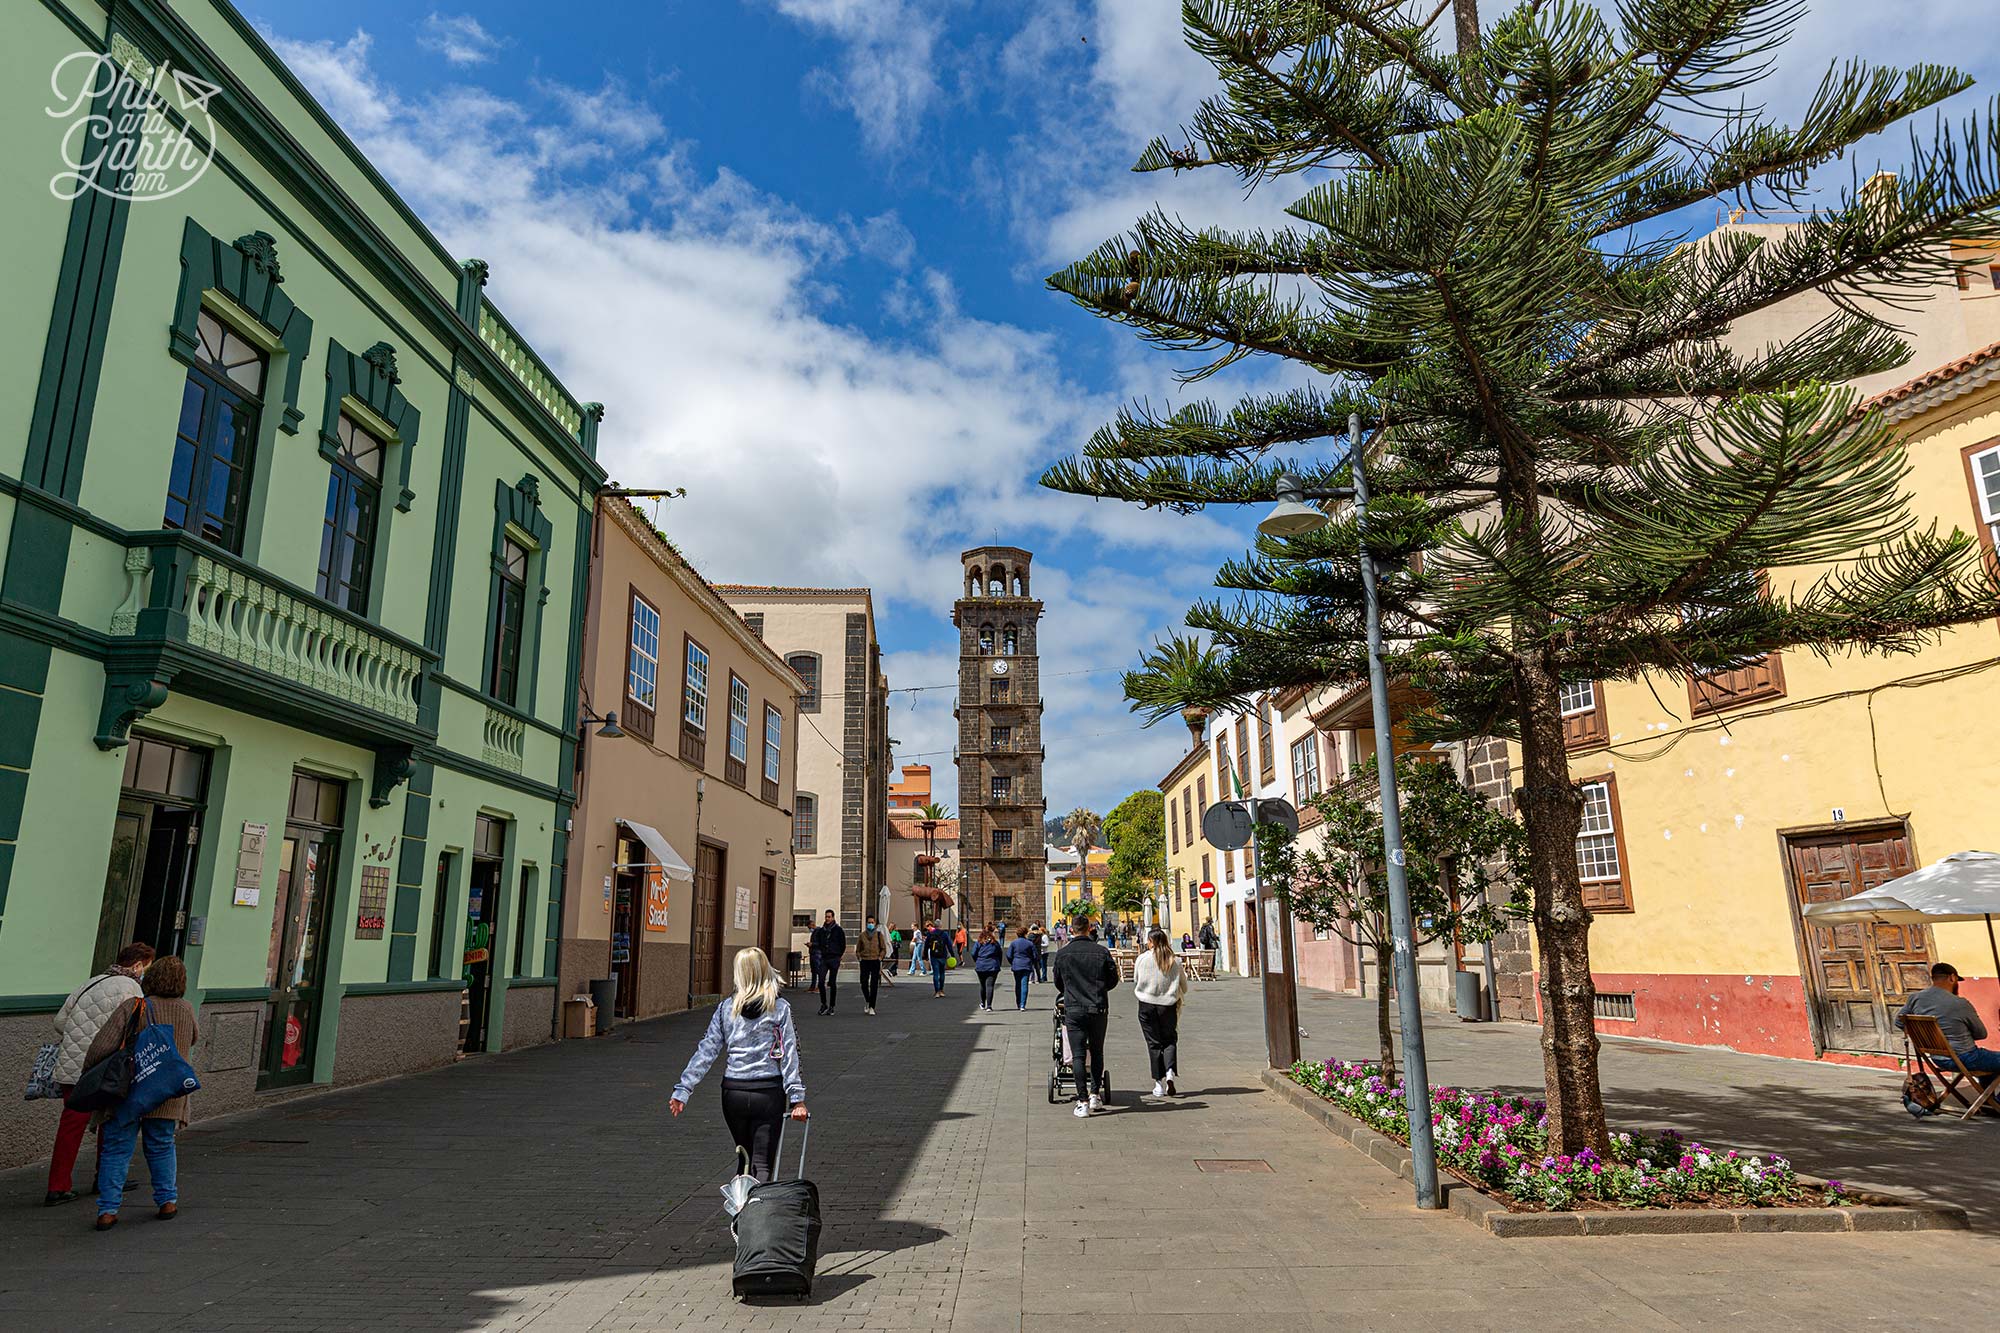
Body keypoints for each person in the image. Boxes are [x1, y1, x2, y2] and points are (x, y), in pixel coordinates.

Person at [670, 948, 808, 1182]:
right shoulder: (780, 1007)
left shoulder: (726, 1008)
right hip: (767, 1092)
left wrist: (683, 1089)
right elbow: (789, 1053)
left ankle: (740, 1211)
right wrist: (797, 1098)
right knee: (762, 1163)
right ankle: (755, 1213)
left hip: (733, 1092)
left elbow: (707, 1049)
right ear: (765, 971)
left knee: (744, 1159)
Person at [88, 955, 197, 1231]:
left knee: (117, 1148)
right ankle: (167, 1201)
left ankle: (108, 1210)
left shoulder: (135, 1006)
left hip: (130, 1092)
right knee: (161, 1144)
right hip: (168, 1091)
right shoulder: (186, 1009)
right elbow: (193, 1038)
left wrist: (90, 1071)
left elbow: (103, 1045)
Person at [44, 943, 151, 1206]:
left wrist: (78, 1038)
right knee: (110, 1120)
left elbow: (60, 1022)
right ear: (137, 965)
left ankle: (58, 1185)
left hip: (72, 1064)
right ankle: (105, 1178)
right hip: (105, 1067)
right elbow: (133, 1029)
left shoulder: (91, 982)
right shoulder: (132, 989)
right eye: (145, 967)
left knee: (71, 1124)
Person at [1053, 915, 1121, 1117]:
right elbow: (1113, 979)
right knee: (1098, 1052)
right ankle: (1094, 1095)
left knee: (1078, 1055)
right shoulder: (1101, 951)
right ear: (1090, 928)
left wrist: (1071, 991)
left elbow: (1058, 982)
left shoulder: (1063, 953)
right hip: (1098, 1007)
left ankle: (1082, 1101)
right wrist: (1099, 990)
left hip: (1073, 1009)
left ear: (1072, 930)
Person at [1898, 962, 2000, 1075]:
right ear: (1952, 978)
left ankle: (1986, 1092)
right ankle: (1987, 1092)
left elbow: (1899, 1021)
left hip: (1937, 1059)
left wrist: (1922, 1036)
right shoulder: (1960, 1003)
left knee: (1988, 1064)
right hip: (1965, 1058)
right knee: (1986, 1058)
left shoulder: (1915, 998)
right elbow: (1981, 1034)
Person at [1133, 929, 1188, 1097]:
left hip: (1146, 1004)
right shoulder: (1175, 960)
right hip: (1168, 1005)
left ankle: (1158, 1083)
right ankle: (1170, 1071)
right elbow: (1184, 986)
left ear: (1151, 942)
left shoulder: (1142, 958)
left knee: (1153, 1042)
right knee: (1170, 1039)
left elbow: (1136, 979)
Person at [810, 910, 846, 1015]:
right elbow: (820, 943)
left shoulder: (838, 930)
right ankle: (824, 1003)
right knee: (821, 981)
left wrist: (839, 955)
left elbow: (842, 944)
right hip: (824, 958)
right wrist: (813, 945)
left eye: (829, 917)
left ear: (833, 918)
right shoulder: (822, 930)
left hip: (834, 958)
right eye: (826, 917)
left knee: (832, 983)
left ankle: (832, 1006)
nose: (827, 919)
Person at [855, 914, 887, 1015]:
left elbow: (883, 948)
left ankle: (872, 1006)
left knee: (874, 984)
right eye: (869, 922)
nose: (870, 924)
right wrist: (859, 957)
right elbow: (858, 949)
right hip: (864, 960)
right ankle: (868, 1000)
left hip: (875, 960)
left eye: (872, 923)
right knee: (863, 983)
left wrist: (880, 957)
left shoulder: (878, 935)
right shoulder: (862, 935)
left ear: (875, 924)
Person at [970, 926, 1005, 1011]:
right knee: (990, 986)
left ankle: (982, 1003)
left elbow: (973, 953)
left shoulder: (979, 943)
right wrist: (998, 964)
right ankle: (989, 1006)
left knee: (982, 985)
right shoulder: (995, 943)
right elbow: (1000, 954)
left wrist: (977, 961)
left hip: (981, 966)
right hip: (992, 966)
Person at [1006, 927, 1039, 1011]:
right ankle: (1022, 1005)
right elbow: (1035, 956)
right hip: (1026, 965)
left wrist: (1013, 962)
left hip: (1016, 964)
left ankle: (1018, 1003)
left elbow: (1009, 955)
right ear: (1025, 933)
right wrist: (1031, 961)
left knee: (1018, 984)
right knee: (1024, 984)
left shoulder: (1013, 943)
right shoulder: (1029, 943)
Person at [925, 920, 953, 997]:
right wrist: (952, 954)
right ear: (941, 926)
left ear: (934, 926)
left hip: (934, 956)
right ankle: (941, 990)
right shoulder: (944, 934)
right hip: (942, 955)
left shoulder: (930, 934)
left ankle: (936, 991)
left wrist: (925, 955)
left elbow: (926, 945)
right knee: (942, 973)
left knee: (935, 973)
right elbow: (949, 945)